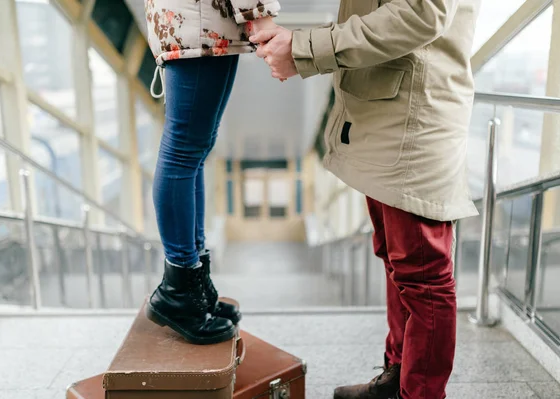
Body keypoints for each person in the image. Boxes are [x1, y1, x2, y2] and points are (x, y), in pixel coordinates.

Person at [251, 0, 480, 398]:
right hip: (381, 113)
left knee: (424, 277)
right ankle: (397, 378)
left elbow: (424, 13)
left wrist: (305, 49)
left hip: (413, 119)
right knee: (397, 261)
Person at [143, 0, 281, 345]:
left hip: (201, 22)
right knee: (183, 152)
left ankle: (194, 282)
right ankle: (179, 288)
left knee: (194, 152)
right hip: (199, 22)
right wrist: (258, 14)